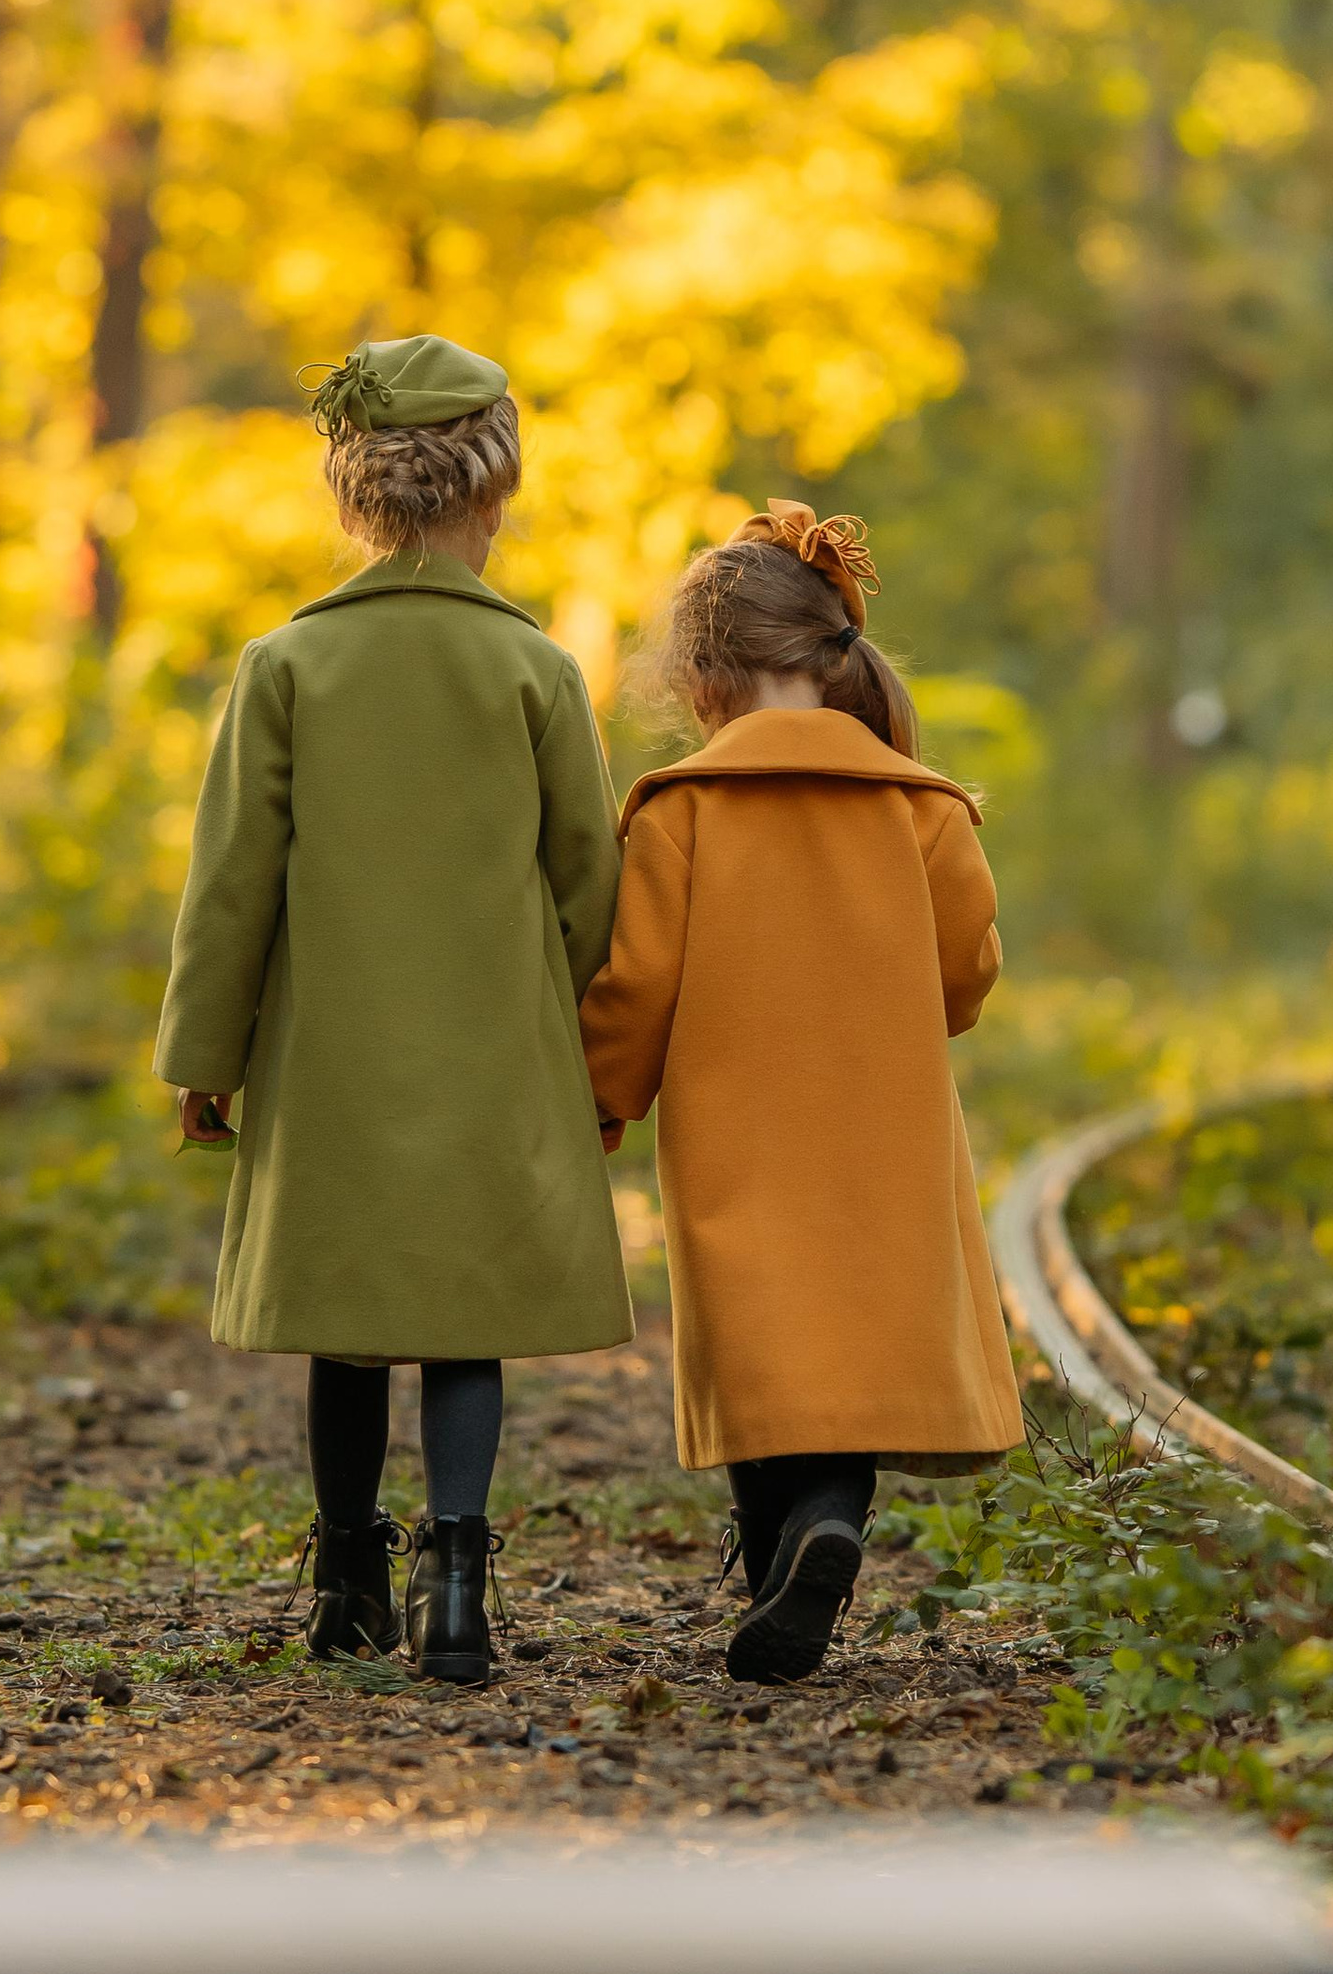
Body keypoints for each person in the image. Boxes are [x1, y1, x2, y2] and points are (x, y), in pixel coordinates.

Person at [156, 334, 630, 1685]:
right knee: (461, 1315)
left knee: (348, 1310)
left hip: (332, 1059)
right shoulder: (534, 672)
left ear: (351, 494)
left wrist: (206, 1051)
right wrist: (598, 1061)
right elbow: (590, 882)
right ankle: (460, 1580)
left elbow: (231, 881)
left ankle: (348, 1575)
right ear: (495, 492)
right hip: (494, 1056)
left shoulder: (287, 665)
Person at [580, 501, 1021, 1684]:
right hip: (881, 1129)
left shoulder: (681, 810)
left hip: (735, 1131)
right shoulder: (920, 804)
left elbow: (638, 986)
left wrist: (603, 1093)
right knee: (856, 1336)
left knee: (759, 1334)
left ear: (705, 675)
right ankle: (831, 1522)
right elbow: (965, 973)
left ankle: (781, 1545)